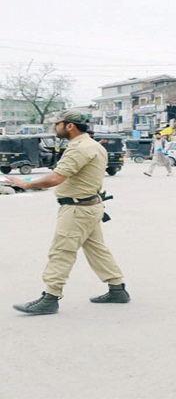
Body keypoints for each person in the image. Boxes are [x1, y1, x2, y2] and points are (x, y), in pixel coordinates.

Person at [7, 110, 130, 315]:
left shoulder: (79, 148)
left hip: (77, 209)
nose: (54, 128)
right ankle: (117, 288)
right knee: (97, 249)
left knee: (61, 251)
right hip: (90, 206)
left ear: (69, 126)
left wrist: (25, 184)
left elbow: (55, 179)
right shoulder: (94, 145)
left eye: (57, 124)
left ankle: (50, 297)